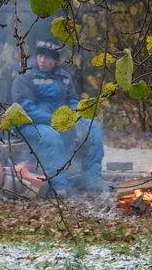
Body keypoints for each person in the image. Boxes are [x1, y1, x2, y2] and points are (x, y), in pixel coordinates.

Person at [9, 39, 104, 197]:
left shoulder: (63, 77)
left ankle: (91, 180)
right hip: (30, 123)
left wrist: (74, 117)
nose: (42, 60)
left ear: (55, 60)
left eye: (47, 57)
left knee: (93, 128)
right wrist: (56, 121)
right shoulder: (26, 76)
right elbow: (25, 109)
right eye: (40, 56)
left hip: (59, 121)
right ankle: (57, 186)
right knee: (51, 136)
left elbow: (73, 100)